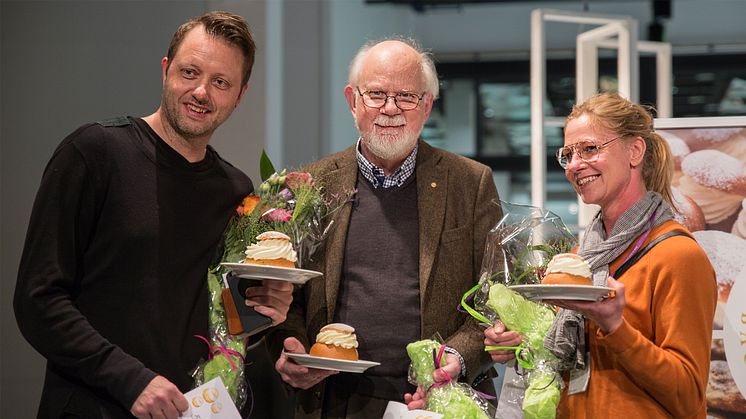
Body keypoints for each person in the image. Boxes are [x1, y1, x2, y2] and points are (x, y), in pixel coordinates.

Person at [14, 11, 293, 419]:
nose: (201, 92)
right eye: (189, 72)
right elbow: (38, 301)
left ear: (240, 95)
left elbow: (218, 320)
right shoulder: (93, 153)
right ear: (166, 70)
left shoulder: (234, 191)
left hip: (186, 411)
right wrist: (130, 379)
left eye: (220, 82)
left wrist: (263, 311)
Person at [267, 38, 503, 419]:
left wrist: (456, 359)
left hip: (436, 403)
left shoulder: (470, 182)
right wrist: (289, 344)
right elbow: (285, 292)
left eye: (406, 96)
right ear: (352, 101)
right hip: (332, 400)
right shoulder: (312, 183)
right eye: (376, 94)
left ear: (426, 105)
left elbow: (494, 295)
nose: (390, 109)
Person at [485, 92, 717, 418]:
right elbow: (577, 362)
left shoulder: (678, 255)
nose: (576, 165)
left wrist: (615, 326)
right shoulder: (585, 257)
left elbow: (689, 396)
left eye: (590, 149)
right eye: (568, 153)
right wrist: (522, 343)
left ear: (635, 151)